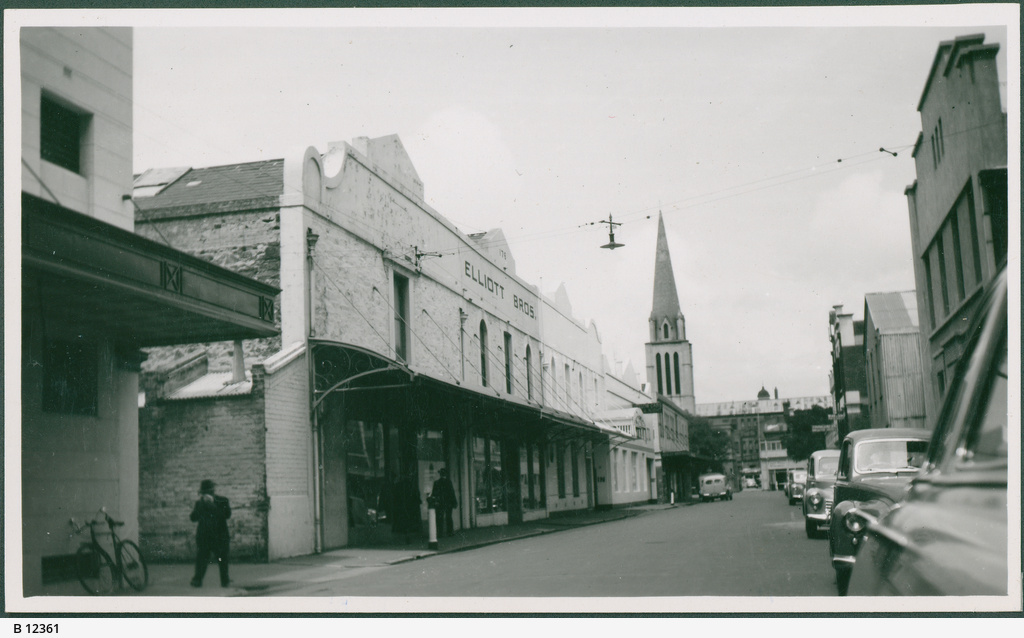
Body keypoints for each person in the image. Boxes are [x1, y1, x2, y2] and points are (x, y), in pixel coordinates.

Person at [190, 479, 231, 588]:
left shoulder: (223, 501)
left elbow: (226, 515)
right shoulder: (199, 503)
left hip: (220, 536)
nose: (206, 495)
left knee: (222, 559)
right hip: (204, 537)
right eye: (204, 493)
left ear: (213, 492)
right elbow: (193, 518)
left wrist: (212, 506)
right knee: (201, 559)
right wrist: (201, 506)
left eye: (208, 492)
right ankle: (197, 580)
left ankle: (225, 580)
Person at [430, 467, 458, 537]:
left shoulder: (436, 483)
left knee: (439, 518)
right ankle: (450, 532)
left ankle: (440, 533)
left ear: (440, 474)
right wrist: (454, 502)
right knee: (449, 517)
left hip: (440, 503)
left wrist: (435, 501)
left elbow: (434, 494)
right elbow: (452, 493)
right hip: (448, 503)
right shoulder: (448, 482)